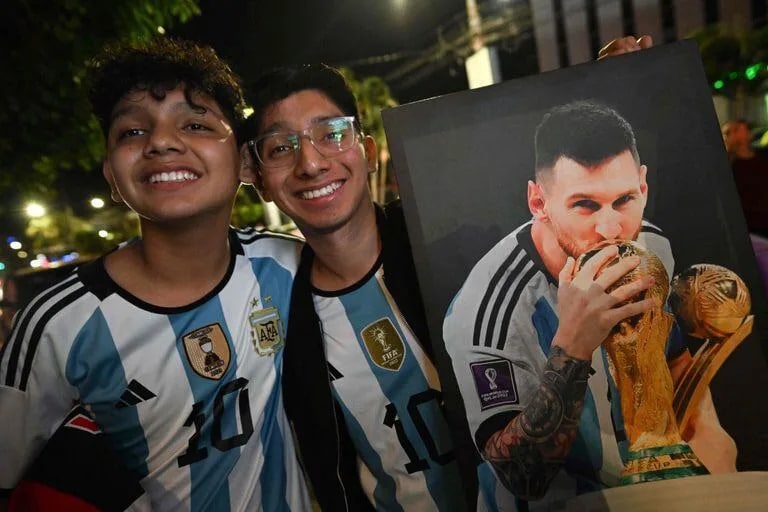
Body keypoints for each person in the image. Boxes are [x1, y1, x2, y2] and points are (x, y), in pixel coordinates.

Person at [0, 37, 310, 511]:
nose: (161, 141)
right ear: (111, 175)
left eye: (195, 123)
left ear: (246, 161)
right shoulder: (56, 326)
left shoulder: (288, 267)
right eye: (131, 132)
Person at [443, 100, 737, 508]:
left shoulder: (650, 246)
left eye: (624, 200)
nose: (611, 228)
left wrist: (708, 449)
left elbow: (679, 376)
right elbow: (522, 478)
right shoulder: (486, 311)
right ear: (538, 202)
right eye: (585, 205)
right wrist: (573, 348)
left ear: (644, 187)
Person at [721, 119, 768, 238]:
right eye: (728, 132)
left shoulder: (763, 159)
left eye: (738, 129)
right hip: (748, 229)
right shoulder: (727, 167)